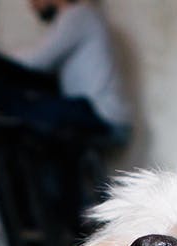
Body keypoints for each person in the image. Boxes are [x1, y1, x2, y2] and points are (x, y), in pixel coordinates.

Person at [11, 0, 131, 146]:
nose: (31, 5)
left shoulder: (78, 15)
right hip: (99, 113)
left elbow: (37, 60)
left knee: (15, 107)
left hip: (102, 114)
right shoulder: (78, 17)